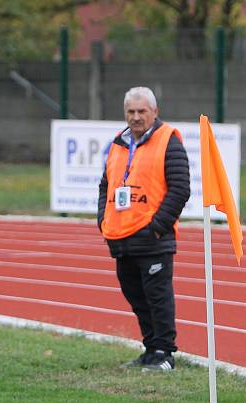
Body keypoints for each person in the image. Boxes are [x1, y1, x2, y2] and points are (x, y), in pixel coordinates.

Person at [97, 86, 191, 371]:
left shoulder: (168, 141)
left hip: (152, 238)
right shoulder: (118, 143)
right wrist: (103, 218)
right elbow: (106, 185)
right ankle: (150, 349)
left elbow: (180, 189)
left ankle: (165, 353)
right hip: (121, 236)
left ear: (154, 112)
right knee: (136, 297)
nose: (136, 117)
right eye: (131, 112)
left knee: (158, 297)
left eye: (142, 111)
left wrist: (157, 226)